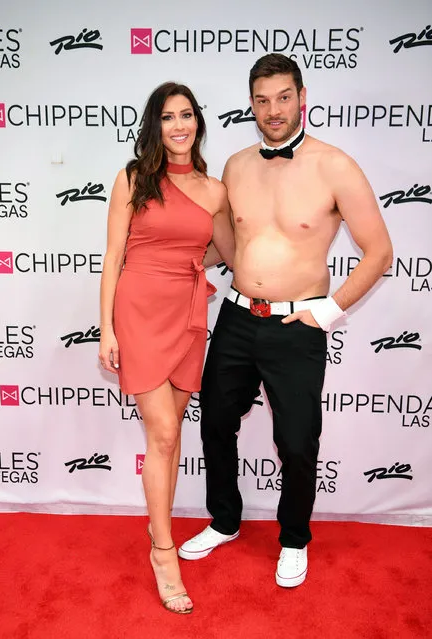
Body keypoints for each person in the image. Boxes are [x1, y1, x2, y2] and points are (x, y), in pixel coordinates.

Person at [178, 54, 393, 587]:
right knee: (215, 423)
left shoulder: (335, 165)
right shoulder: (235, 165)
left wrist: (330, 309)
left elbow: (379, 251)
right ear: (251, 103)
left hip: (298, 325)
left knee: (297, 441)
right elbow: (223, 246)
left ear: (302, 96)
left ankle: (294, 537)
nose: (273, 110)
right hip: (235, 316)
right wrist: (165, 265)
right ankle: (225, 520)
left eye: (283, 97)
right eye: (262, 99)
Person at [98, 82, 235, 613]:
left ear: (198, 122)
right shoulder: (133, 178)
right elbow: (112, 257)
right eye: (168, 117)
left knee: (169, 437)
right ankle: (163, 552)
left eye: (187, 115)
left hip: (188, 315)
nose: (179, 126)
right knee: (163, 432)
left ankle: (160, 536)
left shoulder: (215, 189)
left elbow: (230, 252)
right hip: (138, 310)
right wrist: (106, 328)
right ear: (155, 124)